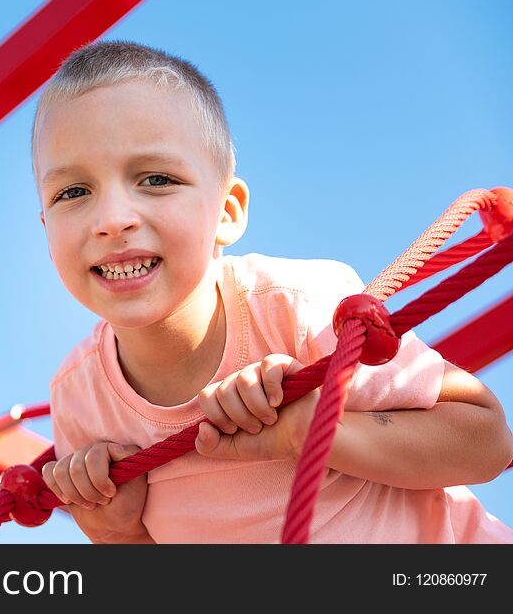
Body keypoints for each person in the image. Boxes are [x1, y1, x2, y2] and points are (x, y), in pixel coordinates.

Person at [32, 39, 513, 543]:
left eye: (156, 179)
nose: (112, 220)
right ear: (45, 228)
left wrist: (314, 430)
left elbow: (487, 442)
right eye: (73, 192)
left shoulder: (298, 310)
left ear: (227, 211)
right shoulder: (78, 400)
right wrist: (116, 531)